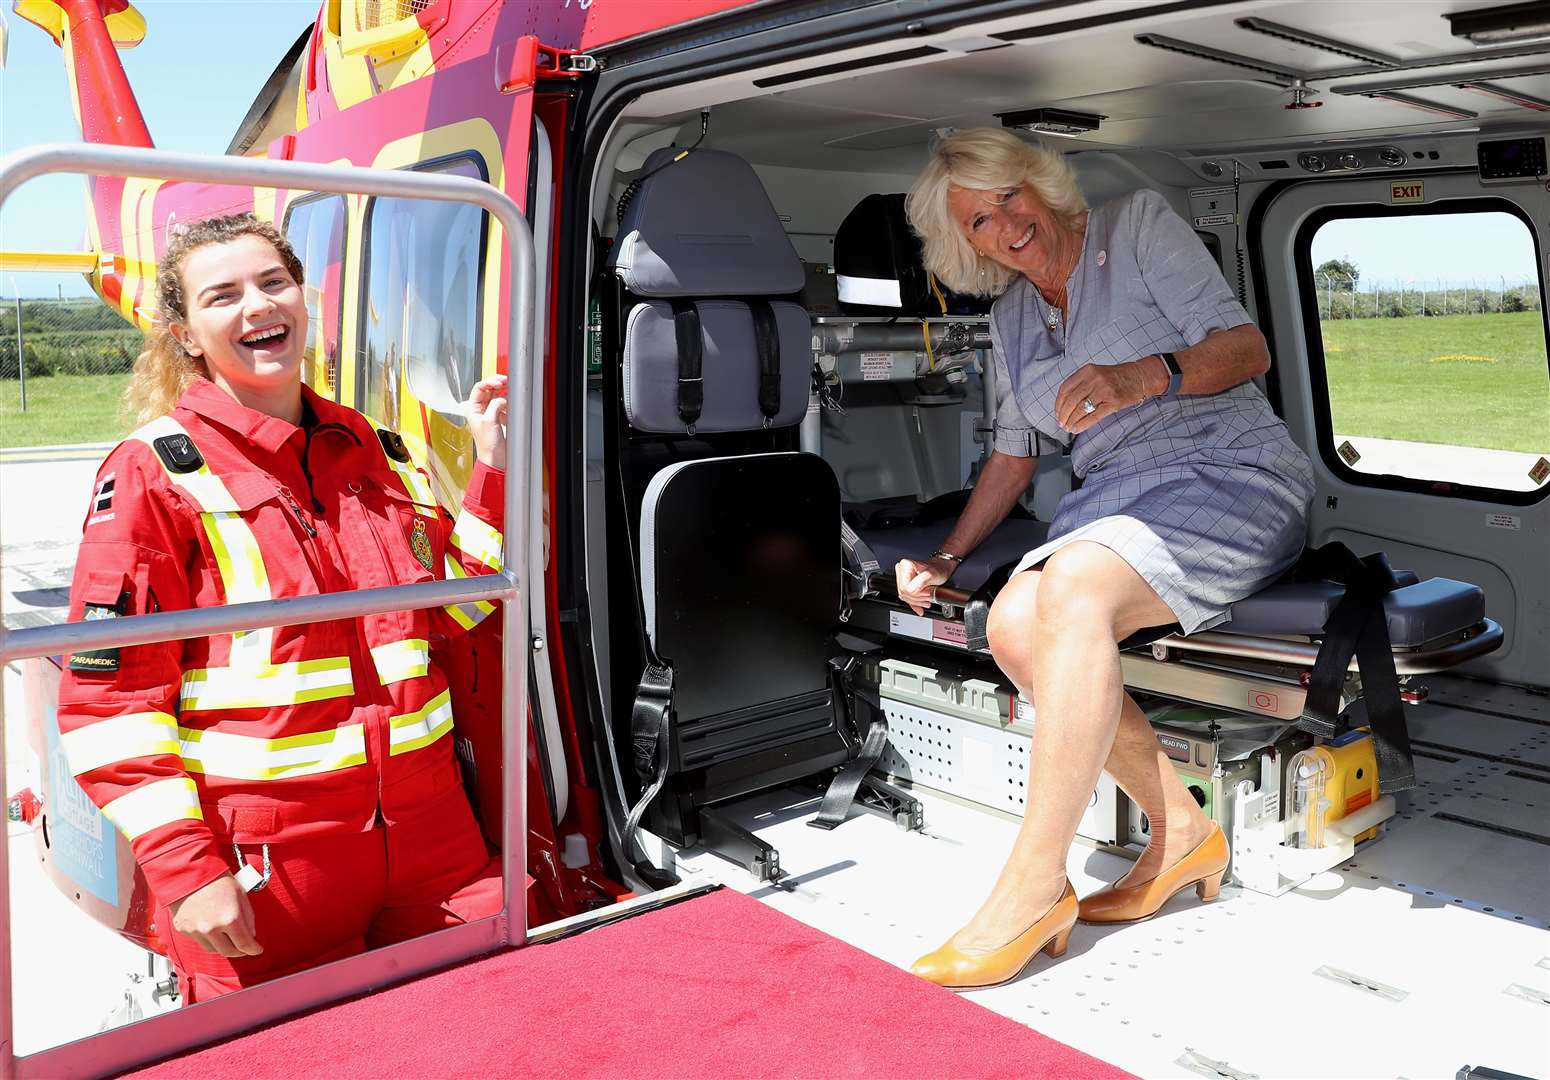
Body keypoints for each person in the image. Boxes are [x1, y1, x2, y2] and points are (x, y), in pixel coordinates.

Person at [897, 129, 1315, 990]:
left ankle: (1032, 884)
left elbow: (1246, 350)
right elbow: (1015, 457)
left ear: (1039, 186)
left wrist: (1145, 375)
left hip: (1230, 473)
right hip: (1115, 497)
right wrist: (945, 555)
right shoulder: (1011, 316)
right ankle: (1184, 833)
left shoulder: (1137, 228)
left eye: (1007, 195)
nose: (1003, 223)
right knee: (1012, 621)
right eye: (978, 219)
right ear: (966, 244)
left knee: (1075, 592)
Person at [57, 213, 510, 1002]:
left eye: (273, 283)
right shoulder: (154, 474)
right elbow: (110, 702)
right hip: (272, 863)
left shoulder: (382, 449)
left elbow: (459, 608)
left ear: (303, 299)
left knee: (493, 1025)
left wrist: (492, 468)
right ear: (187, 334)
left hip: (436, 833)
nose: (257, 306)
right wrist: (186, 871)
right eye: (222, 295)